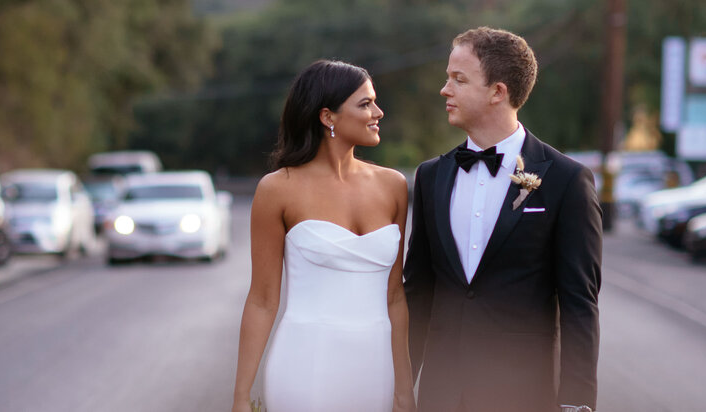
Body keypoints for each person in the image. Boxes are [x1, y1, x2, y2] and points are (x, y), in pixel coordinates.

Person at [403, 27, 602, 412]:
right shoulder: (430, 176)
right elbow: (419, 290)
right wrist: (399, 382)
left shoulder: (566, 180)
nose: (445, 90)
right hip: (442, 394)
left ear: (498, 92)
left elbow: (580, 303)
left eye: (458, 80)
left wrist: (577, 404)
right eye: (448, 78)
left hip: (525, 393)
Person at [232, 60, 415, 412]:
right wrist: (241, 395)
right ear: (328, 116)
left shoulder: (393, 186)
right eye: (365, 104)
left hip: (376, 367)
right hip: (305, 361)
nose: (378, 112)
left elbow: (394, 296)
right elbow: (262, 300)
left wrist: (404, 388)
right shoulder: (277, 189)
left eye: (374, 101)